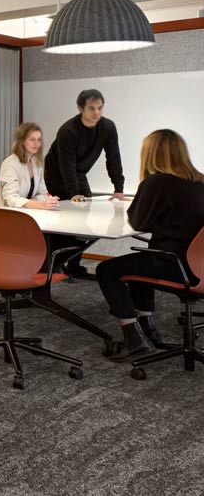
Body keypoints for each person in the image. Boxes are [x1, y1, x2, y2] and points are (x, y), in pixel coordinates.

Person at [96, 129, 204, 360]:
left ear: (151, 154)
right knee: (142, 263)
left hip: (175, 265)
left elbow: (138, 222)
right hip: (199, 268)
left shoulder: (157, 182)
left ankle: (133, 339)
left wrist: (145, 197)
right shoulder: (201, 181)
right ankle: (148, 329)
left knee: (106, 270)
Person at [44, 88, 127, 278]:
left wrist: (118, 189)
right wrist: (74, 193)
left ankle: (74, 265)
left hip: (79, 173)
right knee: (68, 219)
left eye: (100, 108)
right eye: (91, 108)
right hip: (57, 174)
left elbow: (113, 157)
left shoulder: (108, 127)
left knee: (86, 218)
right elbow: (66, 166)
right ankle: (53, 263)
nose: (96, 112)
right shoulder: (68, 131)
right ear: (81, 109)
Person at [0, 122, 60, 210]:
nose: (36, 143)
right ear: (22, 141)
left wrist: (43, 201)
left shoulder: (37, 163)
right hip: (8, 213)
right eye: (32, 139)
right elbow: (10, 198)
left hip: (28, 211)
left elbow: (43, 194)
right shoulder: (10, 164)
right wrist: (39, 205)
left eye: (39, 140)